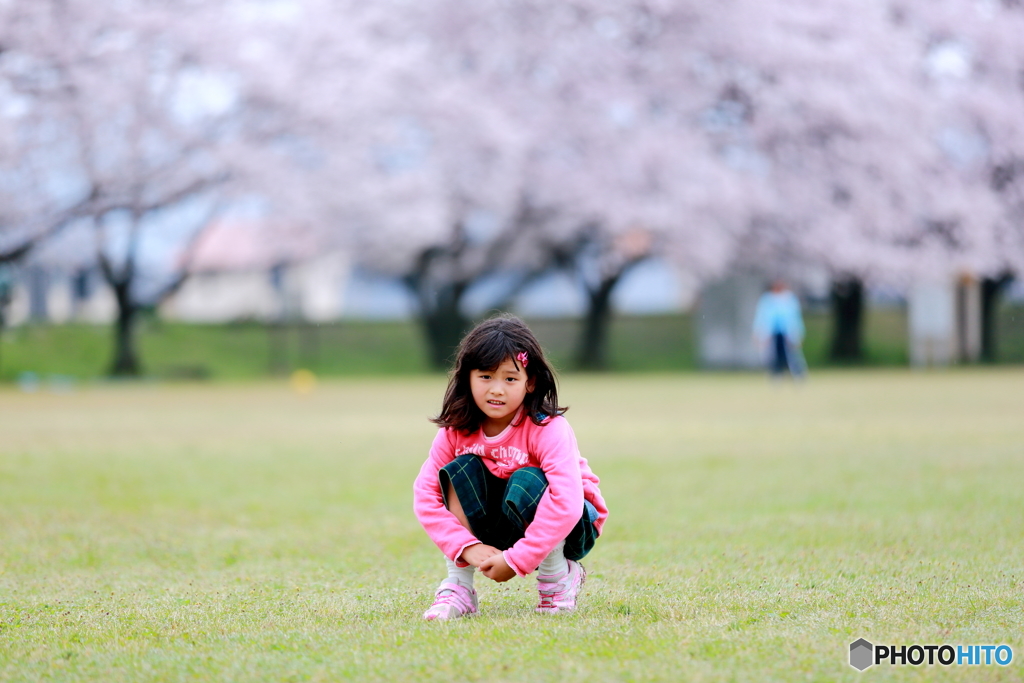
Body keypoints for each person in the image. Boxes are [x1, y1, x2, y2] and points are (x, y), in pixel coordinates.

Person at [413, 315, 607, 620]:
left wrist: (518, 560)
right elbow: (425, 495)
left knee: (528, 479)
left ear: (530, 382)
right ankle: (459, 588)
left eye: (510, 378)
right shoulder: (456, 431)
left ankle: (557, 579)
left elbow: (567, 503)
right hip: (497, 524)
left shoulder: (547, 428)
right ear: (467, 378)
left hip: (572, 526)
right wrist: (465, 547)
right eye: (486, 377)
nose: (497, 390)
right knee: (458, 469)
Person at [752, 279, 806, 378]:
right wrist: (758, 333)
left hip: (787, 333)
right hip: (771, 333)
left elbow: (795, 318)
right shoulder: (767, 299)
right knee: (772, 356)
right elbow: (761, 317)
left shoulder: (790, 299)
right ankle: (776, 375)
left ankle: (798, 375)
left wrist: (799, 333)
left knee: (792, 355)